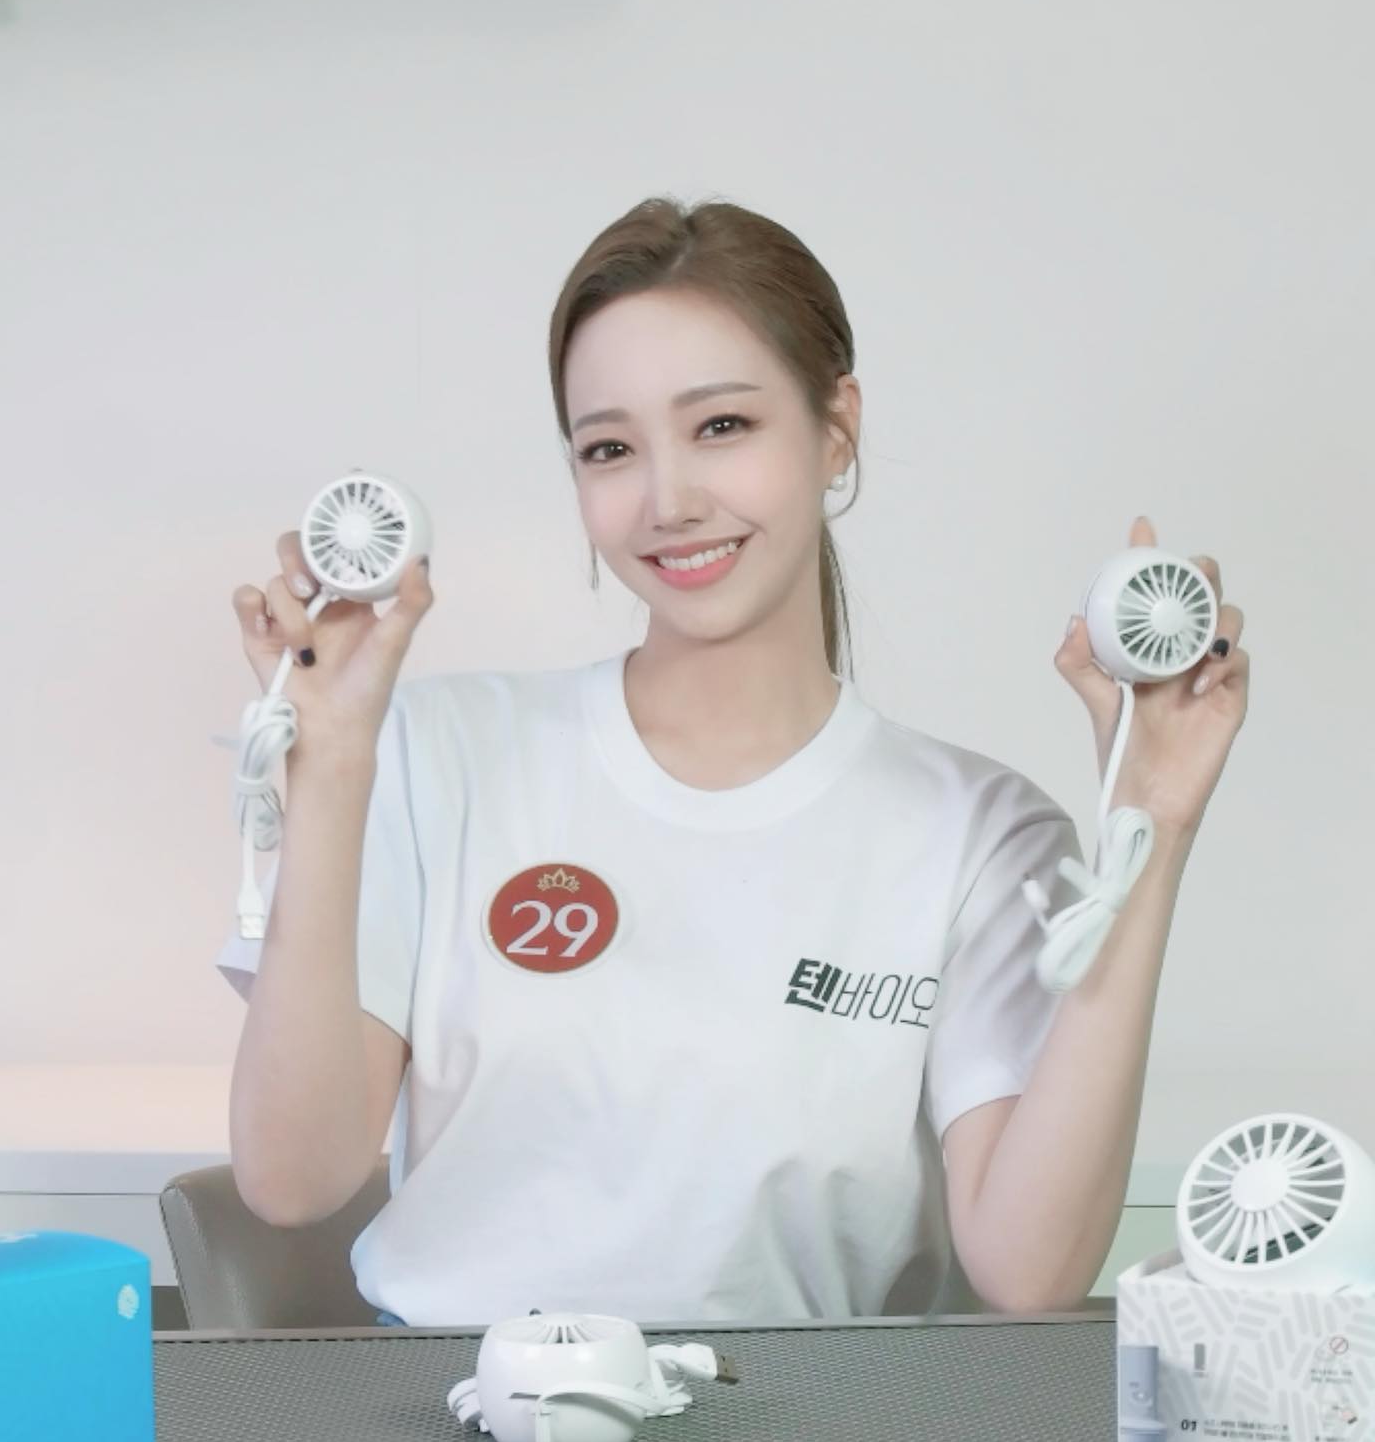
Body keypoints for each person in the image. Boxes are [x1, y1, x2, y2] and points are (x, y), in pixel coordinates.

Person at [215, 196, 1249, 1328]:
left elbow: (1028, 1269)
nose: (669, 502)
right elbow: (292, 1179)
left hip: (812, 1428)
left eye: (721, 426)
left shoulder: (980, 836)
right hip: (452, 1410)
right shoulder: (434, 753)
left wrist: (1150, 827)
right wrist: (334, 768)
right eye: (611, 449)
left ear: (837, 427)